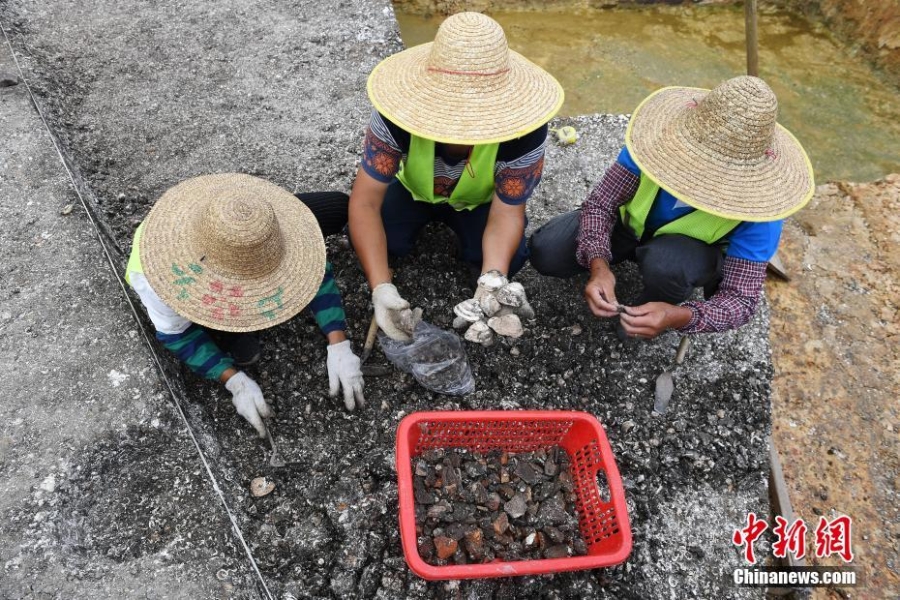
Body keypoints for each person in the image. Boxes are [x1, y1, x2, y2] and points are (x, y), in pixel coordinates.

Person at [529, 76, 815, 339]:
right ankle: (623, 270)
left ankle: (654, 307)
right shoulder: (652, 143)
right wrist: (599, 265)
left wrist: (681, 316)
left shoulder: (762, 209)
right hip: (626, 229)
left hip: (685, 254)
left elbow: (740, 300)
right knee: (547, 251)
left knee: (667, 264)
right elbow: (601, 205)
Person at [347, 12, 564, 343]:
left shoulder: (525, 130)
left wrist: (491, 282)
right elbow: (364, 202)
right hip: (412, 191)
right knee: (372, 240)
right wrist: (381, 287)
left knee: (512, 258)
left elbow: (507, 212)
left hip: (479, 203)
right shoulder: (397, 115)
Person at [125, 174, 366, 438]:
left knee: (339, 206)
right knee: (240, 346)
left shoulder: (242, 215)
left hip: (232, 234)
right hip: (200, 247)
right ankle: (231, 334)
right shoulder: (159, 282)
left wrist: (338, 341)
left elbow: (314, 273)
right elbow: (177, 335)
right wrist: (233, 380)